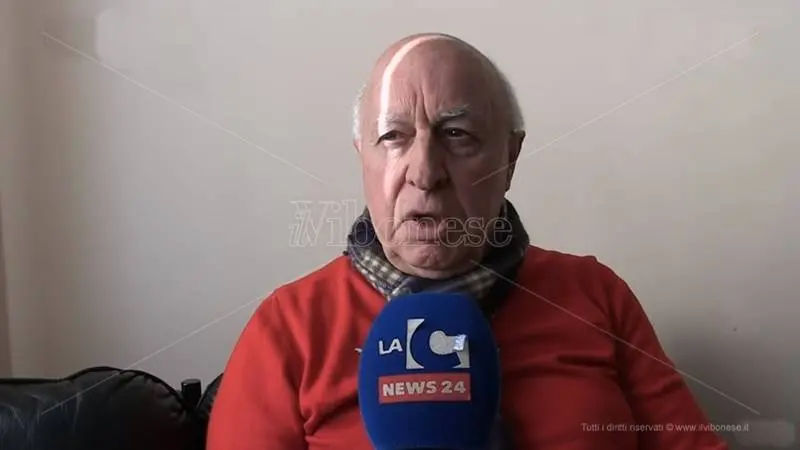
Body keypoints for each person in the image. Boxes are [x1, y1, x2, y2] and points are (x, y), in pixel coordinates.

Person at [207, 33, 729, 449]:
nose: (425, 172)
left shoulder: (596, 294)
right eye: (393, 137)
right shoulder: (289, 325)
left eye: (457, 134)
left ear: (510, 158)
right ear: (362, 156)